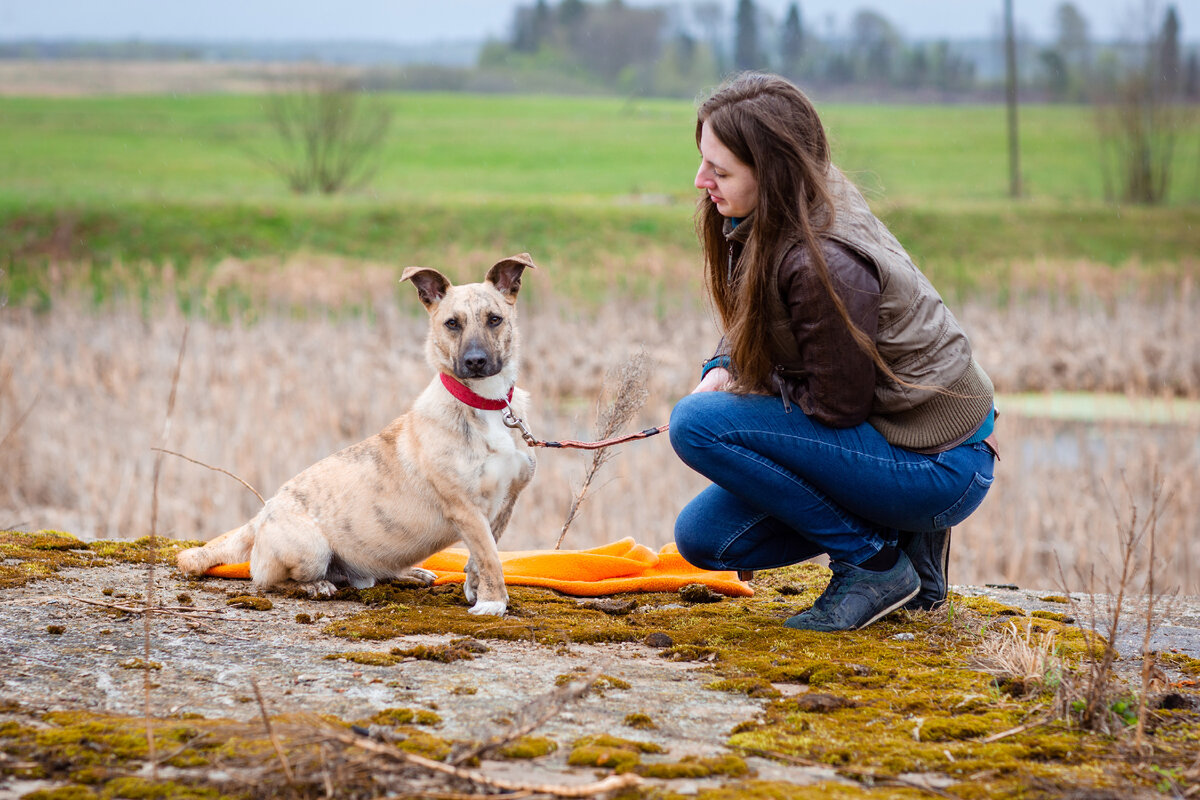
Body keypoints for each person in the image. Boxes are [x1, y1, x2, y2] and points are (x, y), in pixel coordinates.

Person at [669, 73, 998, 632]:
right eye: (704, 162)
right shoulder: (787, 205)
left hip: (938, 462)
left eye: (719, 171)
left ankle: (875, 564)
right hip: (889, 439)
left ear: (770, 171)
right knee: (706, 539)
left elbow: (837, 406)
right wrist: (724, 366)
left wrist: (743, 391)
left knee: (696, 426)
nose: (701, 181)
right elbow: (767, 317)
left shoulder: (823, 258)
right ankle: (908, 550)